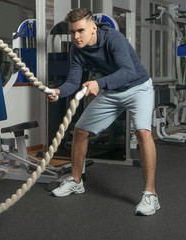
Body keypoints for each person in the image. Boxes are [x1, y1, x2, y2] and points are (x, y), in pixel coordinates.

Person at [47, 8, 160, 216]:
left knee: (143, 132)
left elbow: (128, 72)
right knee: (80, 130)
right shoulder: (77, 50)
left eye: (80, 31)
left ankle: (151, 195)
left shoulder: (113, 39)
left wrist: (99, 83)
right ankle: (76, 181)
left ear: (93, 28)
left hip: (138, 88)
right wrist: (59, 92)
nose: (76, 37)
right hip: (111, 91)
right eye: (72, 32)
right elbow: (73, 81)